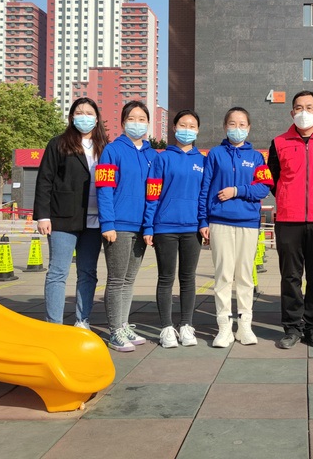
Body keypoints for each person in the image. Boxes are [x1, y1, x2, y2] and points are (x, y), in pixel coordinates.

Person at [267, 90, 313, 349]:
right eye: (299, 108)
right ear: (292, 112)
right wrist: (289, 197)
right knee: (290, 277)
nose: (304, 112)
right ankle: (292, 328)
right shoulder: (279, 143)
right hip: (289, 219)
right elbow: (274, 179)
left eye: (309, 107)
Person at [199, 107, 272, 347]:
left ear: (248, 128)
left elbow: (263, 188)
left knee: (244, 276)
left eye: (242, 124)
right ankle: (224, 327)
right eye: (232, 124)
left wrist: (237, 191)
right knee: (223, 275)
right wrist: (203, 220)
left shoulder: (257, 157)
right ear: (225, 126)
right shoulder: (215, 154)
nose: (237, 128)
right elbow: (205, 189)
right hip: (219, 221)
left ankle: (245, 326)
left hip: (248, 223)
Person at [33, 97, 109, 327]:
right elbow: (44, 180)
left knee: (88, 272)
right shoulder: (58, 144)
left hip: (94, 220)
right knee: (58, 272)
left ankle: (82, 320)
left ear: (97, 118)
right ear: (72, 117)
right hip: (62, 218)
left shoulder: (105, 147)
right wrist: (43, 216)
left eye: (89, 113)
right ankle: (54, 324)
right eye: (79, 113)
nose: (84, 117)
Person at [96, 100, 158, 352]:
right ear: (123, 122)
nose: (137, 123)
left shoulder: (152, 155)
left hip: (141, 227)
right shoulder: (112, 151)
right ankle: (114, 331)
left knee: (130, 280)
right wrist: (107, 223)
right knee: (116, 280)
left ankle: (123, 324)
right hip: (118, 226)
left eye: (142, 119)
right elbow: (104, 189)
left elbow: (154, 194)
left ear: (148, 123)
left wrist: (149, 226)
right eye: (131, 118)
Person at [149, 110, 205, 348]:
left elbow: (204, 196)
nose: (187, 129)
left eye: (192, 126)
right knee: (166, 278)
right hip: (165, 228)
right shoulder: (162, 158)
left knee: (188, 278)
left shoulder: (202, 161)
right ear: (173, 128)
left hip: (192, 228)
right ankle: (166, 328)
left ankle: (186, 325)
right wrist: (149, 226)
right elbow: (152, 194)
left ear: (198, 130)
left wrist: (203, 222)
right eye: (182, 125)